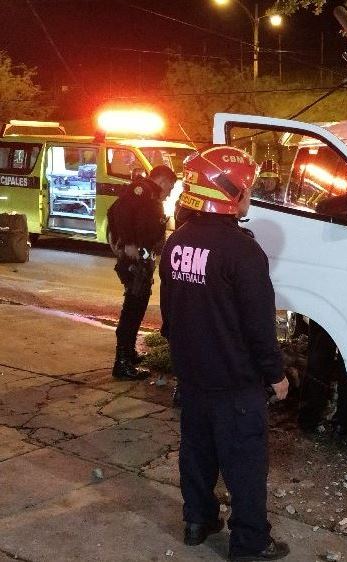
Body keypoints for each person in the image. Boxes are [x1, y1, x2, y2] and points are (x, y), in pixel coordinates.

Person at [159, 145, 290, 561]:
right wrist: (276, 374)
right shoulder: (242, 251)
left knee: (196, 452)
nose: (250, 195)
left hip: (193, 375)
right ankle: (250, 543)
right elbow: (259, 327)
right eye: (248, 188)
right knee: (245, 465)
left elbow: (169, 313)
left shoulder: (177, 242)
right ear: (231, 192)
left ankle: (198, 522)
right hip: (235, 382)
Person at [107, 165, 177, 381]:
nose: (170, 193)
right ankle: (122, 364)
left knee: (136, 307)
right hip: (134, 262)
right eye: (171, 187)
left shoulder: (149, 194)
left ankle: (128, 354)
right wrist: (127, 242)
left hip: (142, 261)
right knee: (132, 310)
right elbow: (117, 212)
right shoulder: (141, 190)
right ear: (163, 181)